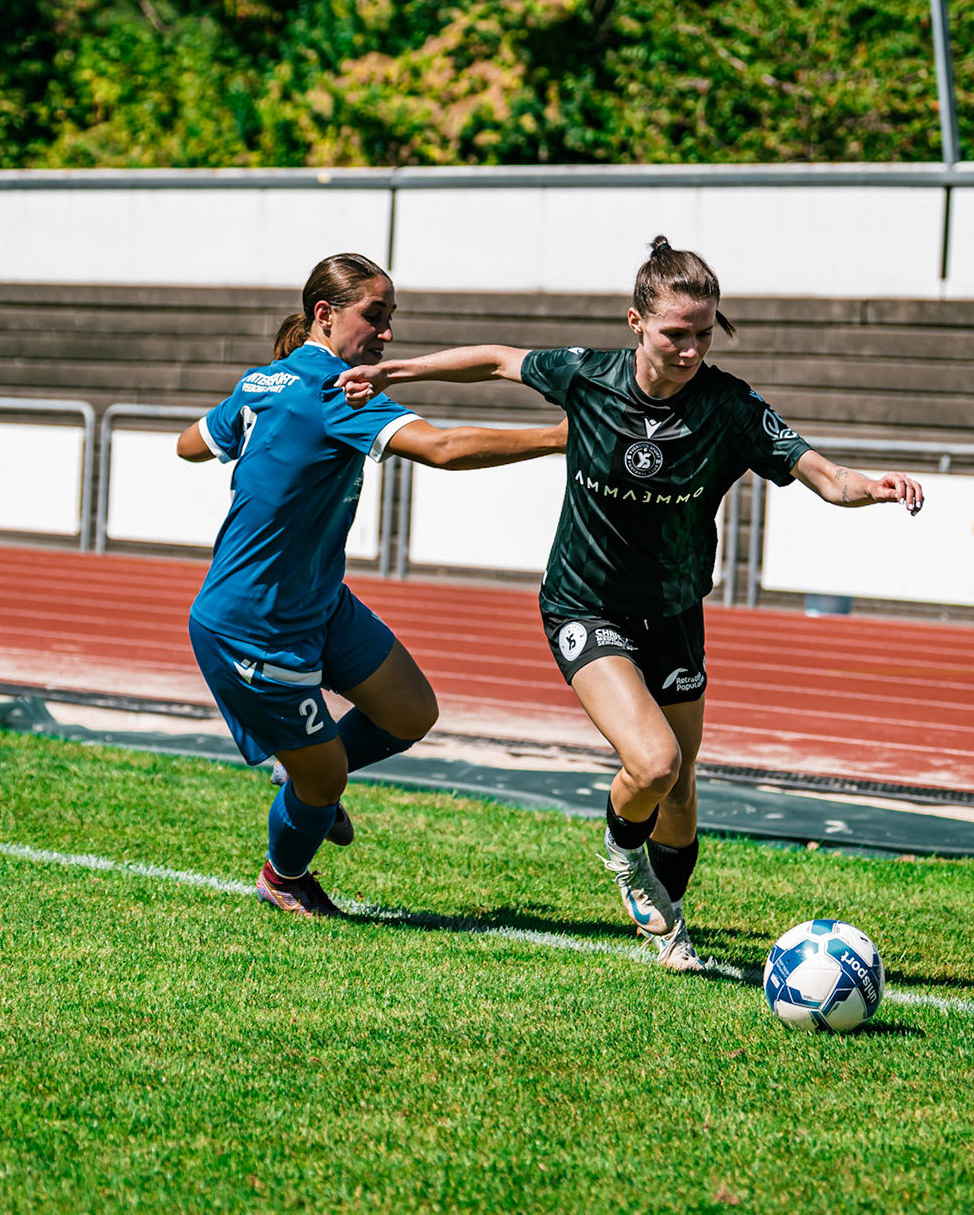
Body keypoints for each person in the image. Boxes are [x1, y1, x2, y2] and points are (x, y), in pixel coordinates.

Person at [338, 236, 924, 970]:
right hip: (585, 605)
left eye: (704, 335)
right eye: (677, 333)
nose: (690, 350)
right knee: (653, 764)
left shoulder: (728, 406)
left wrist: (868, 486)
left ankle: (668, 920)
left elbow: (822, 474)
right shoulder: (588, 376)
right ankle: (623, 858)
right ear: (636, 322)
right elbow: (496, 359)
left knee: (680, 795)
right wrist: (398, 369)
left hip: (675, 614)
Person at [177, 252, 566, 918]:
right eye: (375, 317)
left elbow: (190, 444)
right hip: (252, 621)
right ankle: (285, 875)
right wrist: (561, 436)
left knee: (411, 712)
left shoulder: (266, 381)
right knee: (324, 780)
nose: (387, 334)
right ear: (324, 316)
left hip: (319, 602)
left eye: (391, 319)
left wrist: (250, 418)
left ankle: (300, 772)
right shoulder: (332, 392)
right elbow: (441, 449)